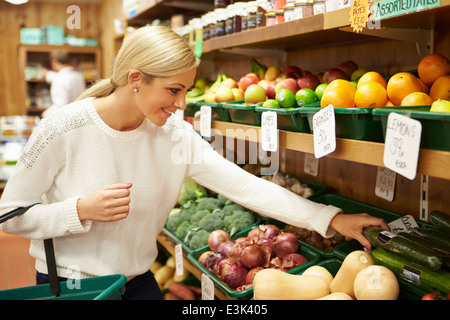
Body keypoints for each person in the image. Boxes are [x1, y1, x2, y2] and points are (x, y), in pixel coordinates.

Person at [0, 26, 388, 300]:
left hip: (137, 284)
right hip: (73, 288)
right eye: (173, 90)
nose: (182, 104)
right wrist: (79, 210)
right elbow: (9, 214)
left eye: (185, 89)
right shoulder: (62, 128)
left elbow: (245, 185)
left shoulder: (173, 134)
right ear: (135, 78)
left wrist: (330, 218)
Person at [40, 50, 86, 117]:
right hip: (78, 115)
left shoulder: (60, 78)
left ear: (54, 61)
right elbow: (61, 78)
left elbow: (60, 105)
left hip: (65, 117)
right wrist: (47, 74)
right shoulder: (78, 76)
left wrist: (44, 115)